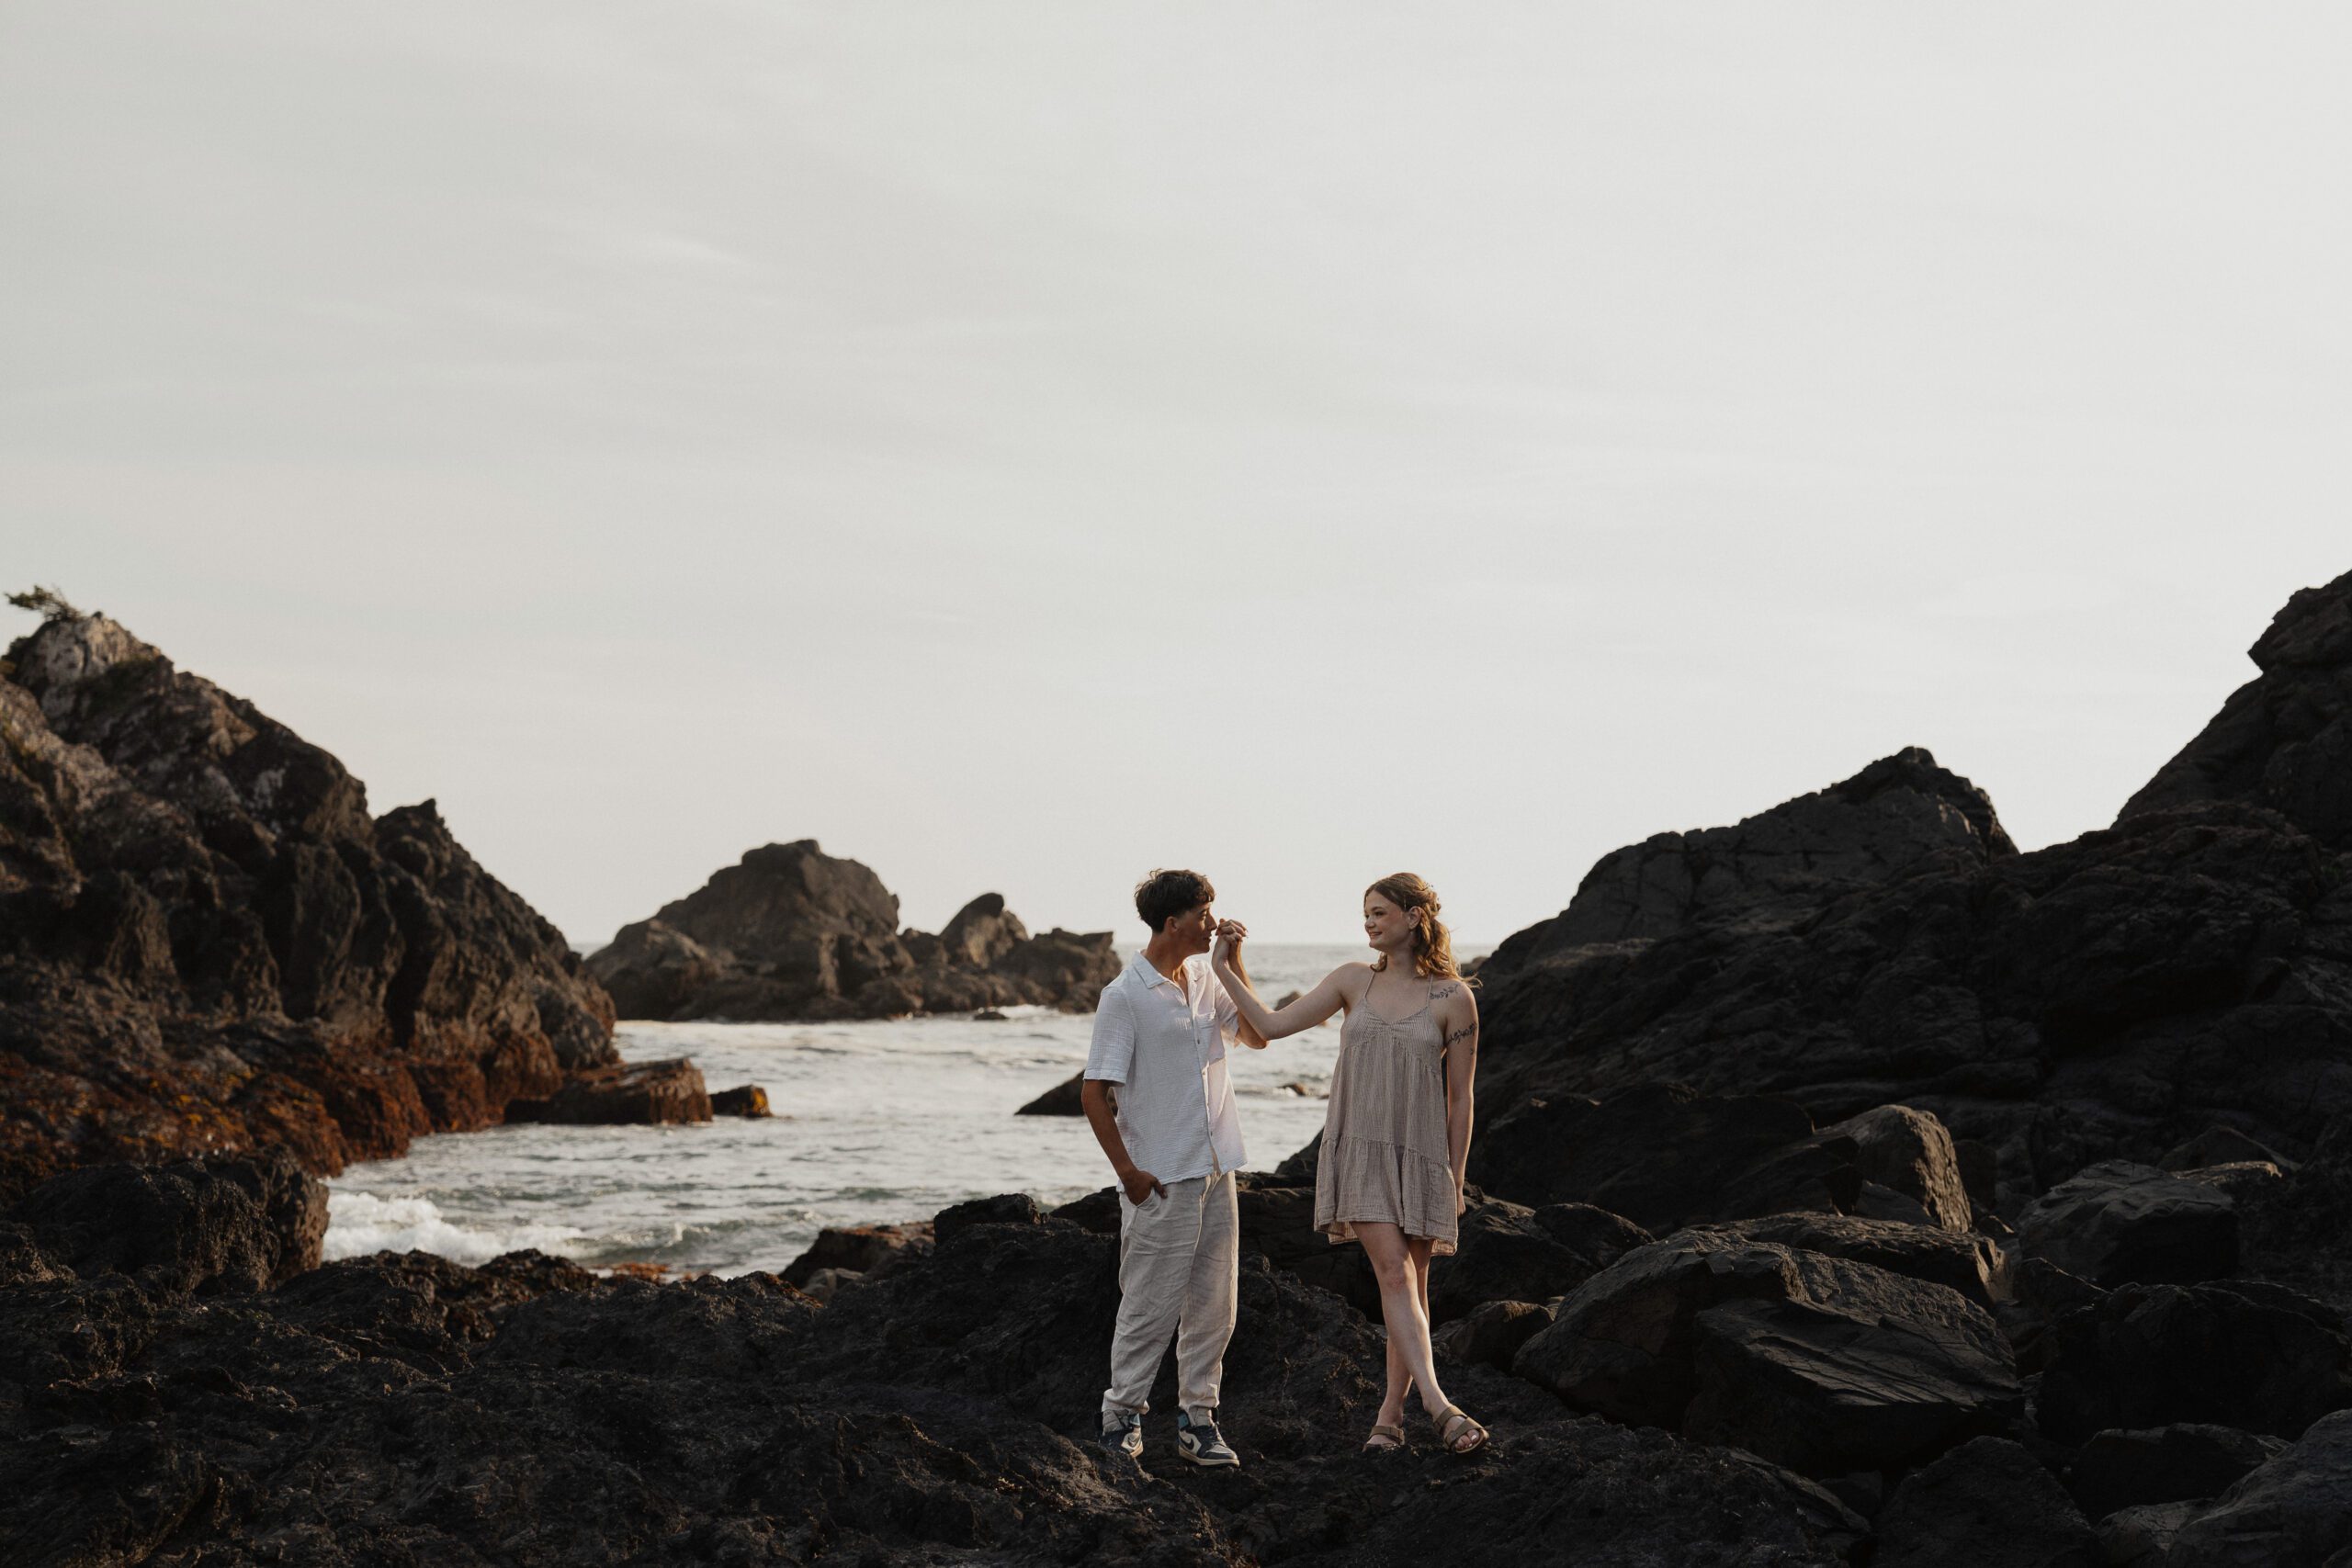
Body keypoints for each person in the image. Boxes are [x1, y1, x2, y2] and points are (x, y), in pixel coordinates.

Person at [1210, 873, 1488, 1456]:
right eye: (1365, 913)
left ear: (1414, 917)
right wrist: (1227, 969)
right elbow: (1272, 1025)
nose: (1368, 922)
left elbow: (1460, 1096)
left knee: (1411, 1288)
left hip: (1420, 1155)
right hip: (1359, 1147)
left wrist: (1455, 1174)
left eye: (1380, 912)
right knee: (1393, 1275)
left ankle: (1389, 1419)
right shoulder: (1350, 982)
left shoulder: (1453, 998)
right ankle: (1441, 1408)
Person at [1081, 868, 1267, 1468]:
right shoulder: (1124, 996)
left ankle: (1198, 1420)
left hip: (1218, 1167)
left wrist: (1232, 961)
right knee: (1149, 1304)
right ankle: (1121, 1420)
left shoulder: (1209, 978)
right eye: (1206, 913)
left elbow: (1258, 1034)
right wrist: (1129, 1172)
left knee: (1217, 1302)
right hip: (1161, 1176)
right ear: (1174, 922)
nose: (1212, 921)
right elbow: (1093, 1092)